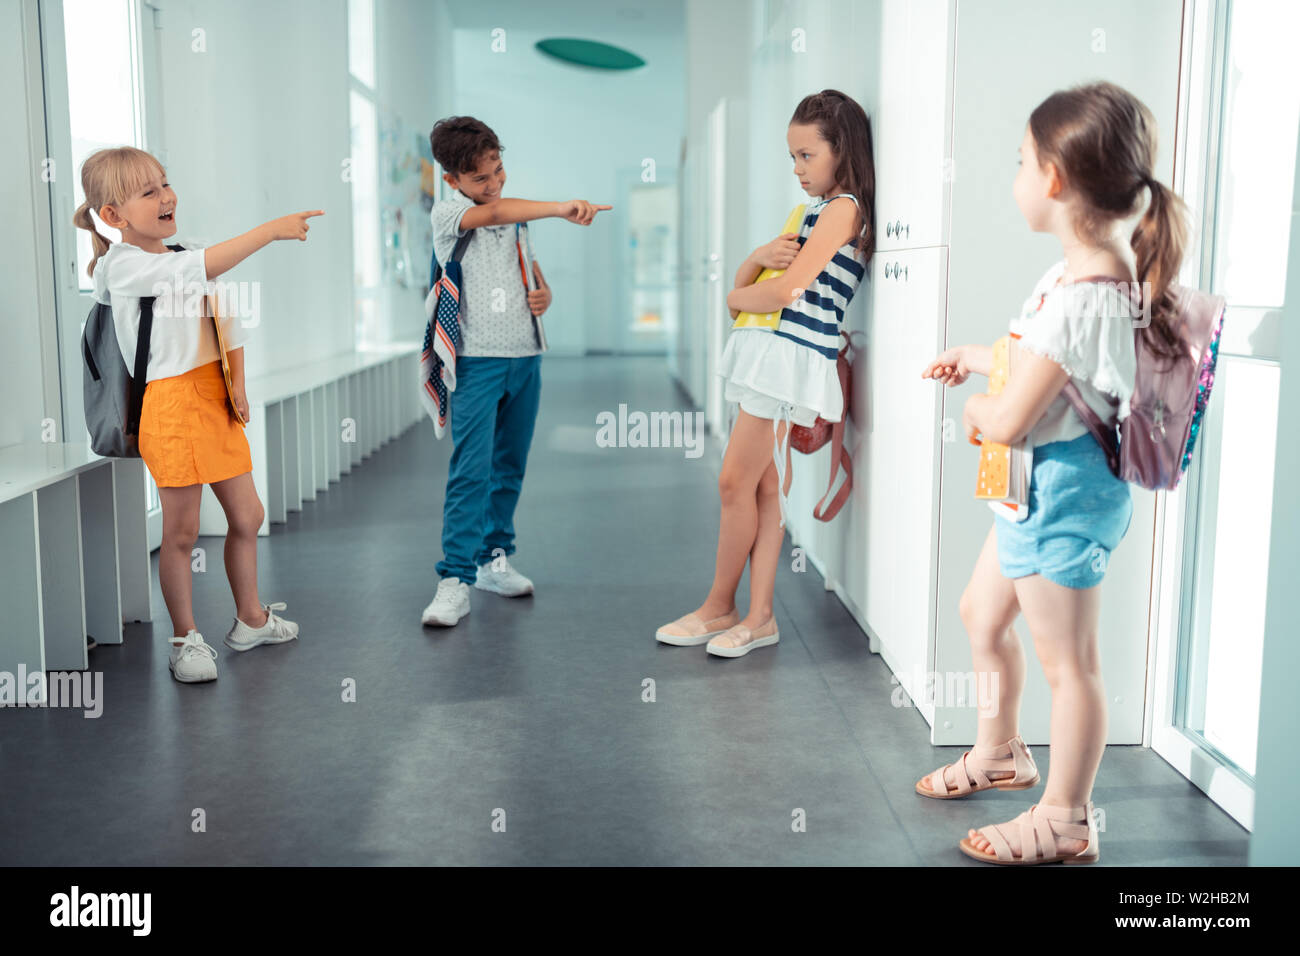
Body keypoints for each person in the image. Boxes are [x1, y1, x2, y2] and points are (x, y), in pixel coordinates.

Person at [919, 82, 1189, 864]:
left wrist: (976, 414)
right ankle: (1001, 752)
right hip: (1033, 485)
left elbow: (1006, 418)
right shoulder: (1078, 274)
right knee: (981, 613)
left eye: (1018, 163)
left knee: (1070, 666)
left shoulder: (1089, 289)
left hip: (1063, 491)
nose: (1014, 179)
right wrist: (982, 359)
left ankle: (1067, 817)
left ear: (1055, 180)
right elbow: (1049, 365)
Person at [76, 146, 322, 683]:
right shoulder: (123, 267)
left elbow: (225, 317)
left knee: (247, 516)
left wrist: (238, 383)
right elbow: (202, 270)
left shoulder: (188, 249)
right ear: (114, 216)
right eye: (149, 191)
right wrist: (270, 230)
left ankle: (251, 619)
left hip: (214, 395)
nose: (167, 197)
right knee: (182, 532)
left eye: (165, 183)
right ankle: (186, 640)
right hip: (169, 403)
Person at [656, 90, 875, 658]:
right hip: (771, 352)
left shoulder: (844, 207)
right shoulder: (809, 211)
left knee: (736, 482)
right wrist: (753, 260)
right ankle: (755, 617)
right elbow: (756, 282)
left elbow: (783, 290)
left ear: (841, 149)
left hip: (789, 358)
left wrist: (737, 288)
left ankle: (724, 607)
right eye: (793, 158)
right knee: (762, 486)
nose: (799, 170)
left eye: (808, 156)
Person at [420, 116, 611, 627]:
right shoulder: (448, 213)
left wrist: (544, 293)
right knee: (471, 471)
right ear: (452, 181)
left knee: (509, 467)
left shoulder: (515, 215)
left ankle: (492, 562)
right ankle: (454, 579)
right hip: (477, 362)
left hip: (525, 358)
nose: (495, 184)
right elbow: (497, 212)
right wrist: (562, 207)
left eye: (499, 170)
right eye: (481, 179)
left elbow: (526, 267)